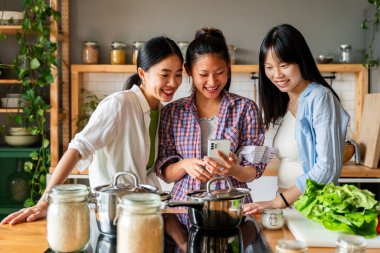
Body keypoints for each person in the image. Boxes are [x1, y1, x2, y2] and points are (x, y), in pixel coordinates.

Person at [1, 36, 184, 225]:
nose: (173, 82)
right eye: (164, 74)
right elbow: (78, 148)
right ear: (142, 73)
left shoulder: (161, 111)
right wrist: (44, 202)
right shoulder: (119, 104)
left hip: (143, 214)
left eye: (178, 74)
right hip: (112, 215)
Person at [155, 27, 266, 217]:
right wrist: (185, 165)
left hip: (232, 209)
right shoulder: (172, 112)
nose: (212, 81)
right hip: (184, 208)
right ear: (189, 70)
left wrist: (235, 169)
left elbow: (253, 170)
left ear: (229, 67)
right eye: (203, 74)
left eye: (220, 72)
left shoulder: (245, 109)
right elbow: (164, 172)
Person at [243, 24, 350, 215]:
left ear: (301, 60)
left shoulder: (320, 98)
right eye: (269, 67)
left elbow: (326, 169)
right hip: (292, 208)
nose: (277, 75)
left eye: (284, 65)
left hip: (315, 209)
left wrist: (278, 202)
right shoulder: (287, 100)